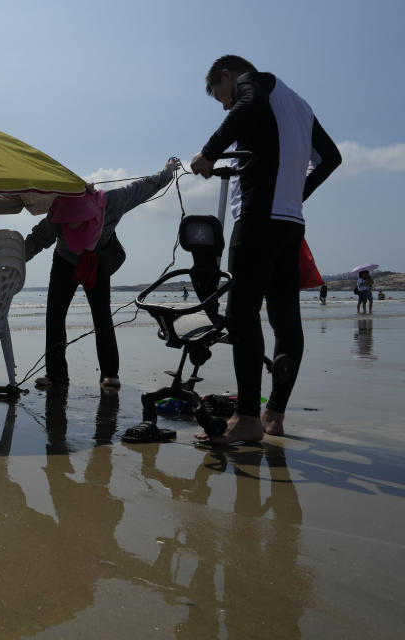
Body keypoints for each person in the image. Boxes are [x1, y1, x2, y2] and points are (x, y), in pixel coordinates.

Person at [190, 55, 342, 442]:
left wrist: (208, 153)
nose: (226, 105)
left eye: (222, 96)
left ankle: (246, 420)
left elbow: (248, 104)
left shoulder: (255, 83)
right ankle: (273, 413)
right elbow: (331, 158)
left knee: (242, 315)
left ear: (227, 75)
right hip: (290, 223)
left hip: (258, 219)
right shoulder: (299, 104)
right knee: (285, 317)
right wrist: (296, 194)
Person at [25, 158, 181, 391]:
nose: (74, 225)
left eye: (79, 222)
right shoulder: (58, 212)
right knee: (55, 316)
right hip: (64, 262)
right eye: (69, 222)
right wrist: (12, 261)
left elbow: (143, 187)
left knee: (102, 317)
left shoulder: (112, 202)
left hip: (96, 260)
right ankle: (56, 375)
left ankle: (110, 373)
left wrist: (168, 170)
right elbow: (36, 240)